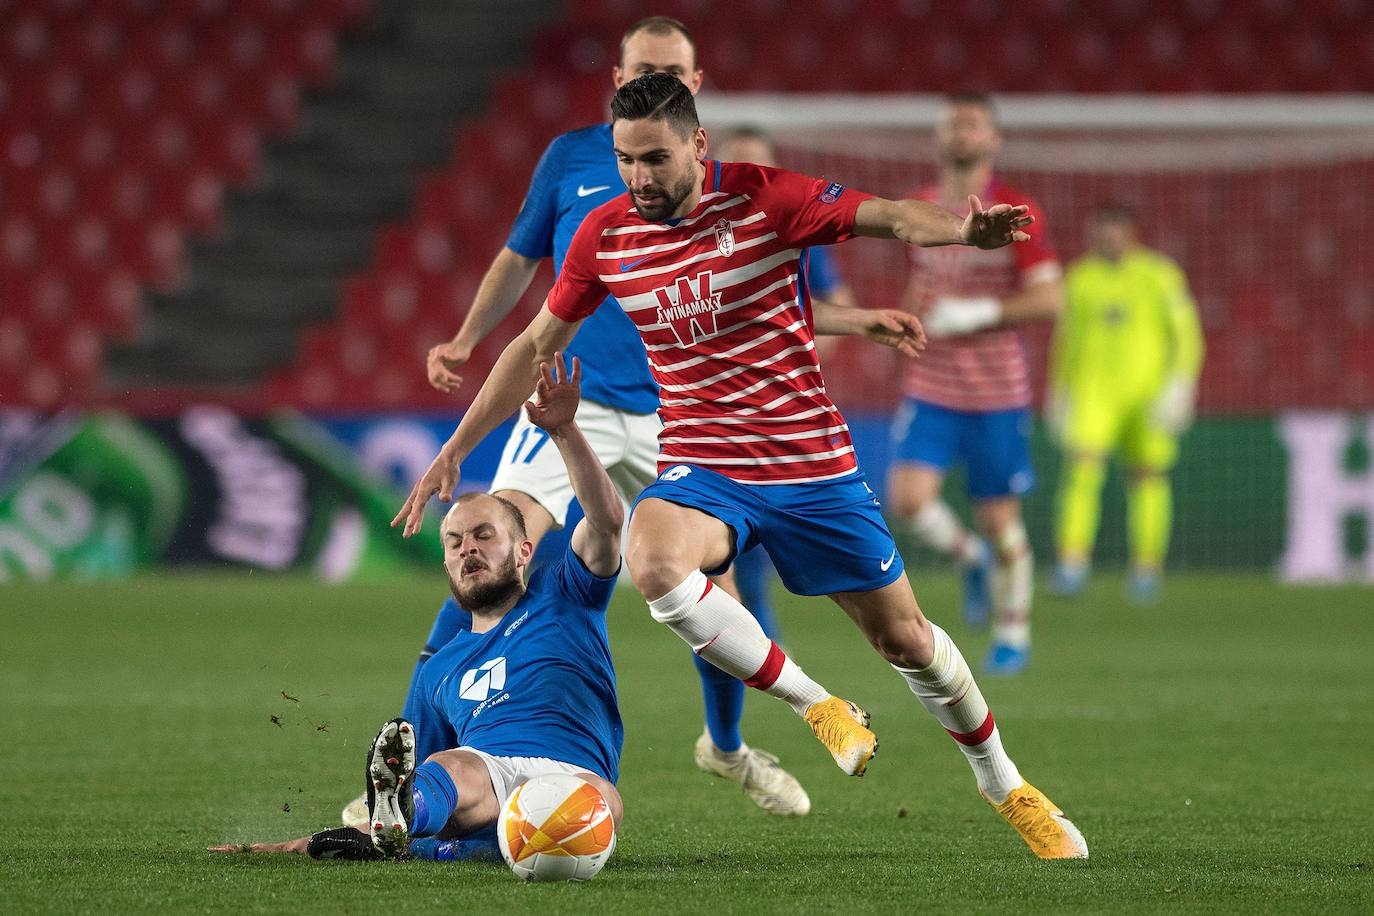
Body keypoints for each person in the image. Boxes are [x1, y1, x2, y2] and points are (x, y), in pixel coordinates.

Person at [394, 73, 1089, 860]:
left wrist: (961, 231)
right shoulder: (604, 236)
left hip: (810, 464)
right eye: (625, 160)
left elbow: (892, 215)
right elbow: (532, 347)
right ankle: (816, 704)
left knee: (907, 641)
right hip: (704, 463)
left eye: (655, 158)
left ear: (697, 144)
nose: (638, 178)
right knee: (653, 558)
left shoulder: (766, 197)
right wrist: (457, 447)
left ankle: (1005, 784)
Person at [373, 15, 816, 820]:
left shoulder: (718, 183)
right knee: (494, 538)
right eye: (643, 70)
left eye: (672, 72)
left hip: (679, 414)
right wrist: (467, 338)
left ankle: (725, 746)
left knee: (711, 594)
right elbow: (519, 259)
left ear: (696, 87)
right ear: (617, 78)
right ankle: (403, 769)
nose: (657, 81)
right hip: (569, 396)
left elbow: (764, 298)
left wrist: (849, 323)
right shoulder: (571, 159)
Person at [213, 355, 625, 862]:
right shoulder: (440, 670)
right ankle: (403, 828)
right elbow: (418, 764)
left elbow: (606, 522)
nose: (467, 549)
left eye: (484, 535)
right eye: (454, 542)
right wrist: (385, 810)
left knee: (603, 801)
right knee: (451, 770)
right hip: (487, 781)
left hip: (573, 778)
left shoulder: (566, 595)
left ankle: (439, 848)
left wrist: (564, 433)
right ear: (446, 562)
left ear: (524, 551)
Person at [885, 92, 1064, 676]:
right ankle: (971, 559)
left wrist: (978, 313)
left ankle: (1013, 633)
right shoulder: (921, 206)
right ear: (939, 137)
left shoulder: (1017, 210)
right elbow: (921, 283)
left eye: (973, 124)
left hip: (995, 394)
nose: (961, 132)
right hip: (930, 386)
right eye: (952, 124)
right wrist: (905, 324)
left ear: (994, 140)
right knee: (907, 501)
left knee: (999, 518)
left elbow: (1050, 298)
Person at [708, 125, 861, 642]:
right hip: (706, 420)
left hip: (780, 418)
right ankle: (759, 662)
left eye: (759, 167)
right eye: (737, 165)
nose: (747, 179)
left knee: (764, 553)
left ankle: (764, 662)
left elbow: (835, 306)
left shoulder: (795, 231)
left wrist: (791, 369)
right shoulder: (684, 236)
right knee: (715, 557)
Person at [1048, 204, 1204, 603]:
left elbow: (1186, 334)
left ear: (1132, 234)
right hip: (1094, 393)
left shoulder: (1160, 274)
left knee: (1148, 477)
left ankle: (1147, 568)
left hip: (1148, 395)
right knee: (1082, 474)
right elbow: (1067, 338)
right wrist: (1059, 389)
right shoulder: (1080, 277)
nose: (1109, 240)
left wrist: (1181, 383)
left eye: (1116, 233)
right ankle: (1072, 563)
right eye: (1102, 233)